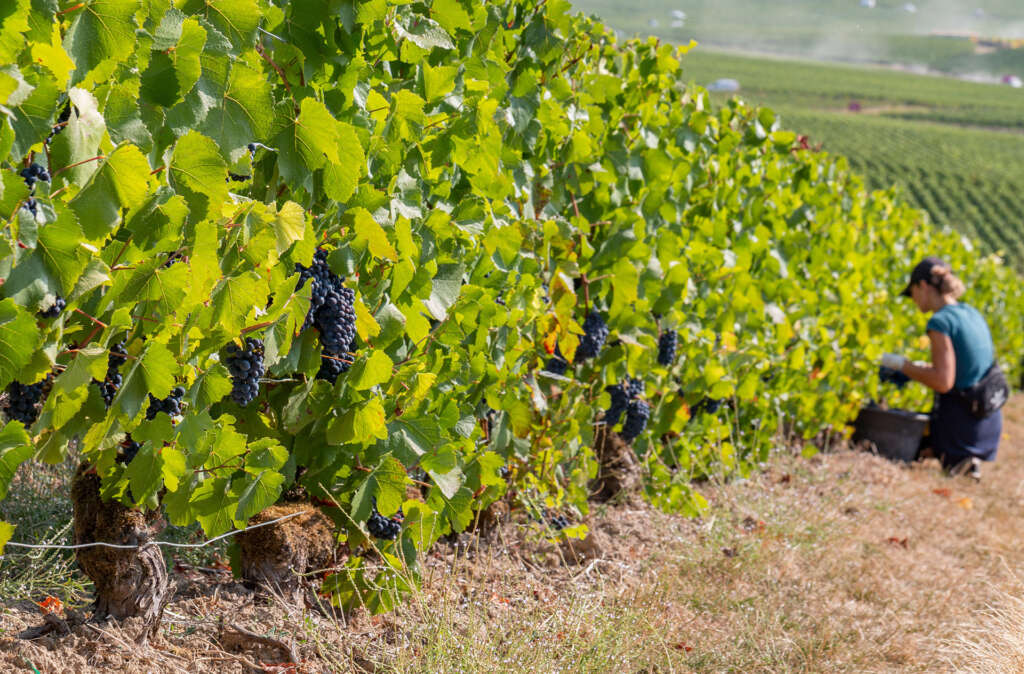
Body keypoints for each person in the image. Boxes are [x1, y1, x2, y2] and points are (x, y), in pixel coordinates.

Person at [881, 257, 1002, 480]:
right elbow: (966, 368)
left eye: (913, 293)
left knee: (904, 446)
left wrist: (903, 366)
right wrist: (919, 368)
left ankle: (959, 458)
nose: (914, 300)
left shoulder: (940, 322)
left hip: (963, 424)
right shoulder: (970, 313)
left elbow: (943, 381)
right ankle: (963, 459)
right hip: (987, 420)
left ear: (923, 286)